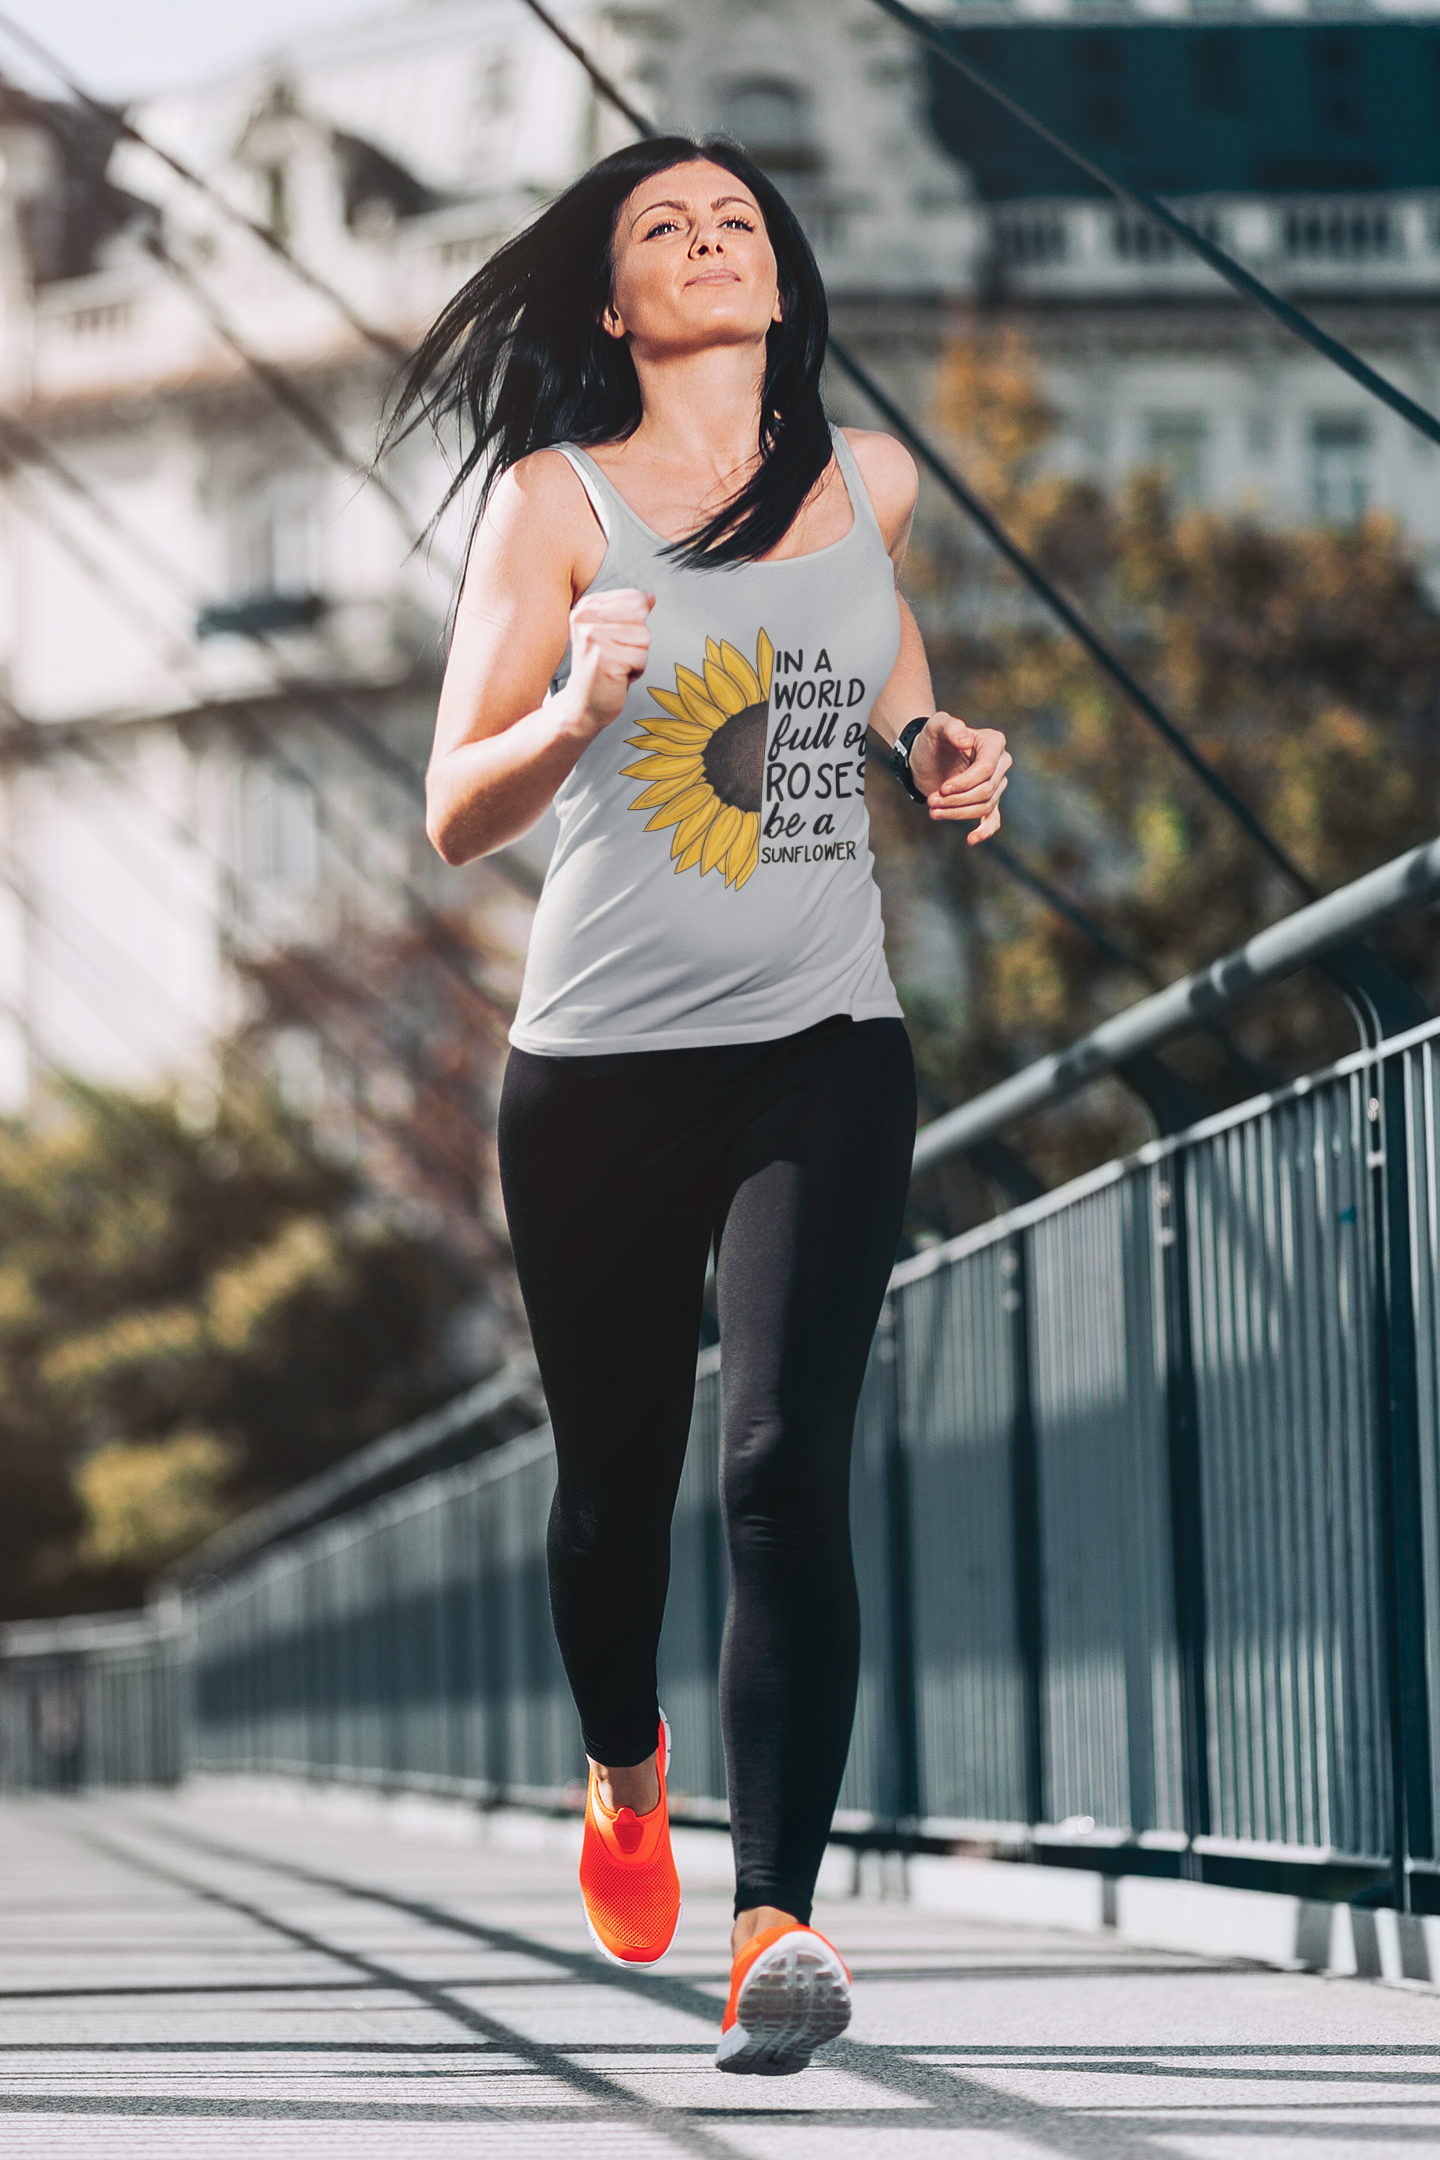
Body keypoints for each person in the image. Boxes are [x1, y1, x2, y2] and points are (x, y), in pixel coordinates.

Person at [398, 134, 1009, 2075]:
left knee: (777, 1469)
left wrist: (927, 740)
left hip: (824, 1046)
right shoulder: (550, 503)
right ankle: (622, 1765)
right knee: (613, 1510)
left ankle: (774, 1931)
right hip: (596, 1078)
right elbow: (452, 809)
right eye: (662, 226)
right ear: (614, 302)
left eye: (734, 215)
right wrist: (575, 711)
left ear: (778, 269)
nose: (707, 235)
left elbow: (870, 634)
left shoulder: (871, 478)